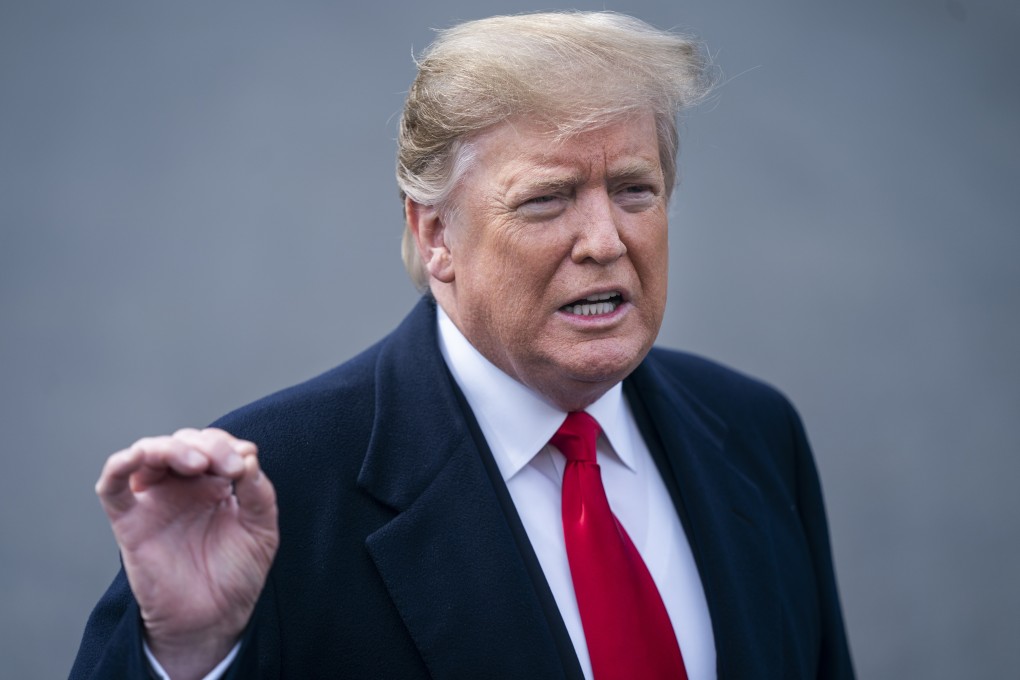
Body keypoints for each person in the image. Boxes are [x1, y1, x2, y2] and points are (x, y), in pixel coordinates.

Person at [71, 11, 854, 680]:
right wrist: (189, 653)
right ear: (436, 233)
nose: (605, 239)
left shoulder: (754, 432)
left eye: (633, 190)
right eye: (547, 199)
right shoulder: (274, 487)